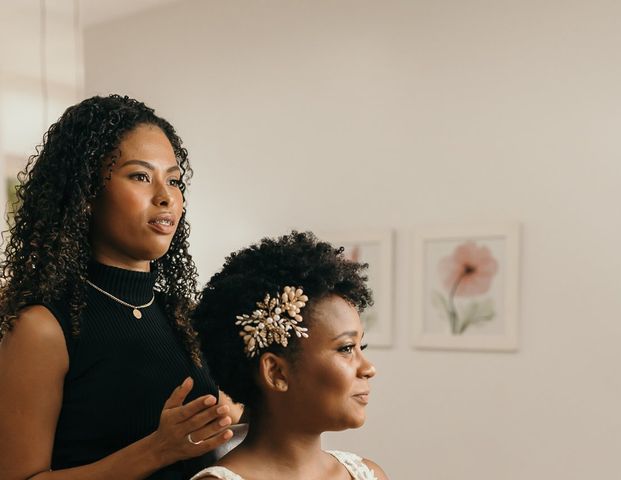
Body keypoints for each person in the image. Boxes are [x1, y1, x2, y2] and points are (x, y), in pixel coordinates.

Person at [0, 95, 235, 480]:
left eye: (174, 180)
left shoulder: (181, 316)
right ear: (87, 193)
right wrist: (156, 450)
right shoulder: (43, 328)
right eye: (140, 176)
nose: (165, 197)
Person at [190, 231, 389, 480]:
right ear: (276, 372)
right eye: (346, 348)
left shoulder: (368, 475)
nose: (369, 368)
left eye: (362, 347)